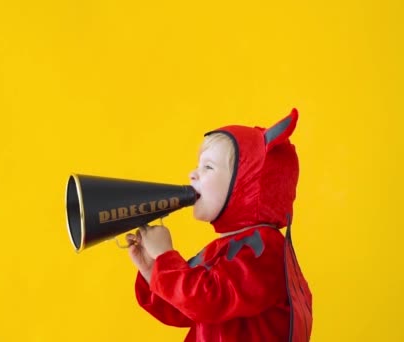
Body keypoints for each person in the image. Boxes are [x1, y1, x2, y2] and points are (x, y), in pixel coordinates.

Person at [126, 108, 312, 342]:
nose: (192, 174)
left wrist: (166, 256)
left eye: (208, 167)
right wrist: (151, 270)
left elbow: (209, 301)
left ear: (247, 182)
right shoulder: (223, 247)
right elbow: (185, 310)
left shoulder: (264, 248)